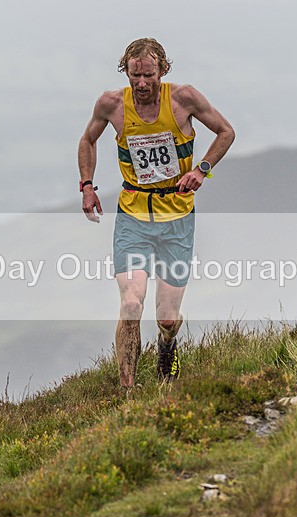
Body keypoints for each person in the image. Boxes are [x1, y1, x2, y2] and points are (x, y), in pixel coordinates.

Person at [78, 38, 235, 388]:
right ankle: (128, 391)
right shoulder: (111, 104)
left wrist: (202, 169)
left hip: (177, 217)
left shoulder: (184, 99)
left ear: (163, 70)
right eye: (135, 77)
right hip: (133, 215)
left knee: (166, 317)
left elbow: (226, 132)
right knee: (131, 303)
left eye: (149, 75)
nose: (142, 84)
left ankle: (167, 343)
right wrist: (87, 185)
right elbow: (87, 140)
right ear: (126, 72)